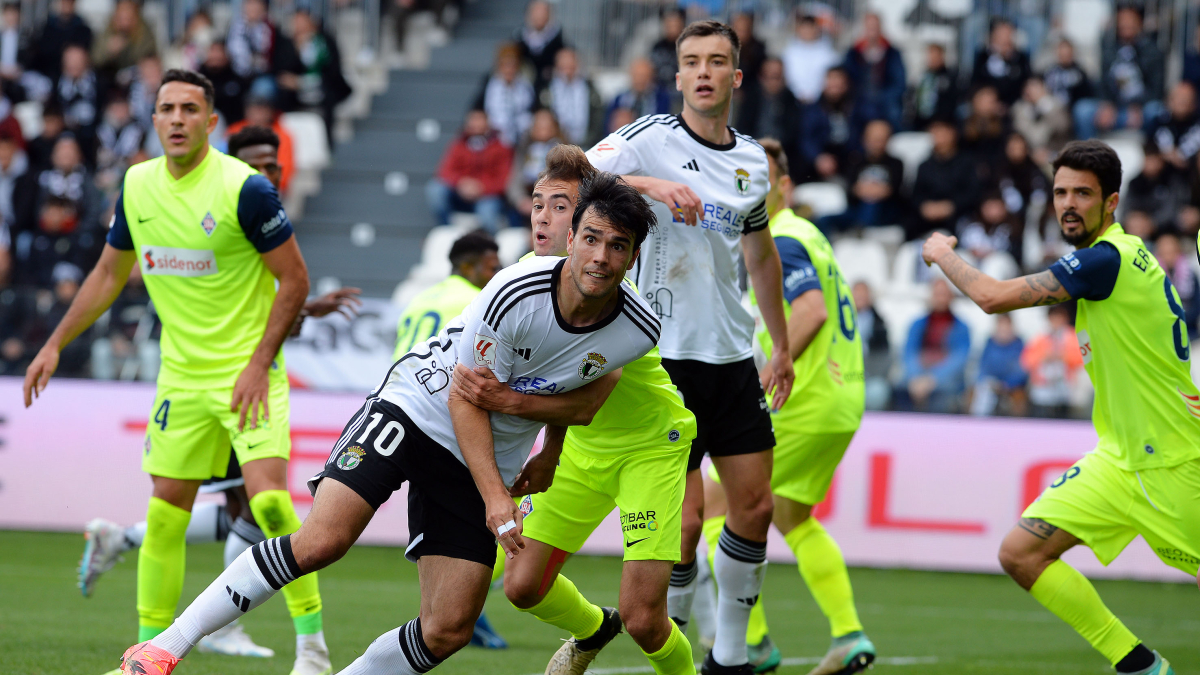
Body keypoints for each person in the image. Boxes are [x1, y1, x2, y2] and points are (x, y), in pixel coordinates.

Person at [115, 172, 661, 675]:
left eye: (617, 246)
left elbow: (581, 396)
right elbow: (464, 399)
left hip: (488, 454)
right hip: (416, 408)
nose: (600, 257)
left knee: (447, 629)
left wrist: (548, 449)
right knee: (322, 541)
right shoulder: (514, 291)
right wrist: (496, 497)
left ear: (633, 258)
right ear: (571, 240)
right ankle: (163, 648)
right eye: (590, 238)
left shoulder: (638, 328)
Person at [22, 69, 332, 675]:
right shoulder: (136, 186)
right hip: (182, 379)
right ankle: (147, 655)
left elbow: (296, 281)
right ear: (154, 117)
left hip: (248, 373)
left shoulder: (244, 189)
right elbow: (109, 274)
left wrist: (259, 364)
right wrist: (55, 341)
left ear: (211, 122)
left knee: (269, 506)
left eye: (191, 108)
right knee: (166, 512)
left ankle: (312, 650)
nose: (177, 118)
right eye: (167, 108)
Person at [80, 125, 361, 660]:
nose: (267, 174)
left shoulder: (267, 218)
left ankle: (127, 544)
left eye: (274, 165)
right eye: (257, 164)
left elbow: (269, 309)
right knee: (248, 507)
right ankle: (204, 622)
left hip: (250, 385)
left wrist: (303, 310)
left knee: (258, 508)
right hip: (208, 385)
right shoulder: (229, 210)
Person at [924, 139, 1199, 675]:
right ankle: (1140, 666)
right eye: (1060, 192)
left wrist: (941, 253)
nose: (1068, 203)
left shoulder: (1106, 261)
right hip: (1118, 460)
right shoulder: (1112, 259)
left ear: (1111, 202)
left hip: (1172, 462)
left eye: (1083, 194)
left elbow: (992, 297)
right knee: (1021, 553)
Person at [587, 20, 795, 675]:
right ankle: (672, 642)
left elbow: (761, 257)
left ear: (735, 77)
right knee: (680, 524)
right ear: (677, 76)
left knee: (755, 505)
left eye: (717, 63)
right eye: (691, 62)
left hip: (731, 357)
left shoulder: (753, 161)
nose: (703, 72)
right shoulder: (647, 140)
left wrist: (780, 347)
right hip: (660, 356)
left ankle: (728, 656)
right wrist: (647, 188)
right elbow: (572, 171)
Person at [462, 144, 698, 675]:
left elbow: (587, 395)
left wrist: (510, 405)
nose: (545, 216)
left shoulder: (612, 288)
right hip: (581, 446)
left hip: (647, 446)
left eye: (561, 204)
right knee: (521, 587)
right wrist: (549, 450)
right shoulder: (524, 277)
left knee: (646, 619)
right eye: (539, 202)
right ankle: (594, 627)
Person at [699, 138, 875, 675]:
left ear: (784, 187)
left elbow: (812, 310)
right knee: (794, 517)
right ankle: (848, 634)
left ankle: (750, 643)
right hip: (841, 399)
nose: (748, 188)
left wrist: (774, 363)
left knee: (711, 511)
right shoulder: (810, 236)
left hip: (803, 399)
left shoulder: (784, 237)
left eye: (761, 178)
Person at [394, 230, 500, 359]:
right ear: (467, 268)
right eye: (493, 269)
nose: (498, 275)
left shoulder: (418, 299)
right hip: (437, 377)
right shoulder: (479, 301)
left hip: (399, 375)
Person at [1075, 5, 1165, 140]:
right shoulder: (1109, 49)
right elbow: (1102, 82)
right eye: (1122, 20)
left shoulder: (1153, 51)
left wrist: (1137, 107)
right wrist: (1106, 104)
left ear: (1139, 23)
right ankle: (1088, 155)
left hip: (1140, 111)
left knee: (1156, 110)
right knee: (1083, 109)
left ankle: (1151, 156)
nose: (1125, 24)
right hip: (1115, 111)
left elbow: (1157, 89)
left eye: (1130, 20)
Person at [273, 9, 352, 148]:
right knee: (280, 95)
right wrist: (297, 51)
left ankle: (327, 143)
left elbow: (332, 69)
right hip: (294, 88)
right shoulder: (286, 42)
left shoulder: (325, 40)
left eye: (302, 21)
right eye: (296, 21)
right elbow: (282, 68)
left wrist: (304, 82)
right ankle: (284, 140)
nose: (299, 25)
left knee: (328, 96)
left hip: (322, 84)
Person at [426, 109, 512, 232]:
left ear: (488, 123)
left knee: (487, 213)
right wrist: (461, 183)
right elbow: (444, 171)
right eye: (473, 120)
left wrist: (481, 187)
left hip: (486, 195)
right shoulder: (458, 144)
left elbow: (504, 179)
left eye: (480, 120)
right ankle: (446, 230)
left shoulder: (501, 147)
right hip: (460, 193)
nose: (476, 124)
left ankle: (490, 245)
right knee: (434, 189)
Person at [896, 278, 970, 412]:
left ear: (951, 297)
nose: (940, 299)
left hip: (945, 379)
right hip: (918, 375)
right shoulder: (917, 324)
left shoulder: (961, 327)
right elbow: (908, 352)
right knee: (898, 389)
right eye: (937, 294)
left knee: (943, 395)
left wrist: (932, 379)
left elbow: (959, 359)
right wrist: (915, 377)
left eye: (944, 294)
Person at [819, 119, 904, 232]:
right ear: (865, 139)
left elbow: (890, 191)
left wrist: (868, 190)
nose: (878, 144)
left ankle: (860, 231)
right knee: (824, 220)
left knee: (871, 203)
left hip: (885, 213)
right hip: (857, 211)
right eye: (874, 139)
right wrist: (874, 190)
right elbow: (852, 190)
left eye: (881, 140)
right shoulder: (855, 161)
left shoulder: (896, 163)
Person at [735, 58, 802, 183]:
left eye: (777, 77)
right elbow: (742, 130)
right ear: (761, 77)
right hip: (752, 155)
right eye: (769, 77)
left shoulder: (791, 101)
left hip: (783, 157)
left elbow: (793, 136)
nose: (773, 82)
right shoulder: (751, 99)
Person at [909, 119, 980, 239]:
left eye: (942, 132)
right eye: (934, 132)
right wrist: (924, 207)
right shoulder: (924, 165)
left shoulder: (967, 162)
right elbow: (916, 194)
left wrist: (951, 206)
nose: (938, 137)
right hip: (928, 216)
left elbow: (973, 193)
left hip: (957, 214)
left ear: (953, 134)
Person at [1020, 302, 1086, 418]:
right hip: (1044, 385)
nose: (1056, 321)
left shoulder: (1074, 335)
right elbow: (1026, 360)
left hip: (1066, 385)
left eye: (1059, 317)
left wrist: (1064, 357)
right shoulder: (1040, 337)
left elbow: (1084, 358)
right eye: (1053, 317)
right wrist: (1044, 357)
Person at [842, 12, 905, 130]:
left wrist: (885, 98)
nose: (872, 31)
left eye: (875, 27)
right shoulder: (853, 53)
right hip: (860, 100)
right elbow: (847, 78)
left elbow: (899, 82)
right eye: (869, 27)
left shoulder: (892, 53)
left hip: (886, 101)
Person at [800, 67, 863, 183]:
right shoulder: (813, 110)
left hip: (849, 158)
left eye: (839, 84)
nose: (835, 88)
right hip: (821, 156)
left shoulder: (857, 107)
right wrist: (818, 158)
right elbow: (806, 138)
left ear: (846, 85)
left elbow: (864, 134)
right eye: (831, 83)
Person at [539, 47, 603, 148]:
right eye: (563, 65)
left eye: (570, 65)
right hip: (555, 145)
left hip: (585, 144)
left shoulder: (589, 88)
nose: (567, 70)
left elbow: (597, 118)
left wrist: (589, 140)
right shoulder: (548, 89)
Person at [506, 108, 562, 220]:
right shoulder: (524, 149)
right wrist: (520, 200)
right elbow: (514, 181)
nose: (542, 129)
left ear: (555, 127)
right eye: (538, 125)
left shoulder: (563, 153)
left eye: (547, 125)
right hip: (526, 201)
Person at [477, 42, 534, 147]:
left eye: (513, 65)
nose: (509, 70)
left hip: (522, 134)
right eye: (505, 65)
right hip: (494, 134)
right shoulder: (490, 84)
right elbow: (479, 108)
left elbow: (530, 108)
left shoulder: (526, 85)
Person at [969, 313, 1027, 416]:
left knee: (1019, 399)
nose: (1003, 330)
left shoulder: (1019, 345)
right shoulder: (989, 343)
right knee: (972, 394)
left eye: (1006, 326)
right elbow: (982, 366)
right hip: (990, 383)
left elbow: (1021, 370)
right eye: (1001, 326)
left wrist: (1007, 384)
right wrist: (984, 380)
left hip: (1012, 386)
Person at [970, 18, 1030, 108]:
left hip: (1014, 105)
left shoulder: (1021, 58)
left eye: (1009, 33)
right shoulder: (983, 57)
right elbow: (976, 83)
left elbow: (1025, 84)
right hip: (988, 104)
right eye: (1001, 34)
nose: (1006, 38)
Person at [781, 13, 839, 105]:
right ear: (798, 29)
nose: (807, 32)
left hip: (820, 103)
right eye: (804, 28)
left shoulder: (829, 55)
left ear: (817, 29)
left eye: (810, 28)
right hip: (792, 102)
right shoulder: (788, 53)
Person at [1012, 76, 1071, 164]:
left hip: (1055, 151)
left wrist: (1044, 108)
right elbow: (1020, 133)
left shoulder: (1056, 105)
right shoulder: (1019, 109)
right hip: (1029, 154)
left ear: (1044, 88)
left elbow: (1062, 127)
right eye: (1028, 87)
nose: (1031, 90)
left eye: (1035, 87)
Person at [91, 0, 157, 79]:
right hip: (111, 79)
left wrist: (130, 39)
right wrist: (109, 51)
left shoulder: (144, 31)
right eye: (122, 14)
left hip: (137, 78)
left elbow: (148, 58)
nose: (125, 19)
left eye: (129, 15)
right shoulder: (109, 29)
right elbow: (95, 59)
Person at [30, 0, 93, 82]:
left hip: (74, 76)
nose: (66, 5)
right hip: (49, 74)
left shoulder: (82, 30)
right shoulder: (48, 27)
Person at [1149, 82, 1200, 171]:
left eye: (1186, 98)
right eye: (1178, 97)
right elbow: (1149, 150)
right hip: (1161, 174)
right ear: (1169, 100)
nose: (1182, 102)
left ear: (1194, 103)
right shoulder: (1158, 123)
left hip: (1191, 176)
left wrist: (1179, 156)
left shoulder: (1197, 124)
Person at [608, 58, 671, 130]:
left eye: (644, 76)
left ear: (651, 77)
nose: (640, 80)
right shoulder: (619, 100)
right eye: (637, 75)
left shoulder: (661, 100)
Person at [516, 0, 563, 93]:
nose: (539, 16)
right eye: (536, 11)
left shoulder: (559, 42)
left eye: (543, 12)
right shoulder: (518, 40)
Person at [909, 42, 957, 131]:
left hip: (942, 122)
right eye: (930, 55)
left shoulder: (950, 77)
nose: (933, 59)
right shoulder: (922, 77)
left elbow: (951, 102)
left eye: (936, 55)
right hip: (920, 122)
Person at [1044, 39, 1092, 111]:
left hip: (1071, 107)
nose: (1064, 56)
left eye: (1067, 53)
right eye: (1062, 53)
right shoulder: (1050, 72)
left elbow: (1086, 93)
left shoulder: (1079, 72)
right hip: (1052, 105)